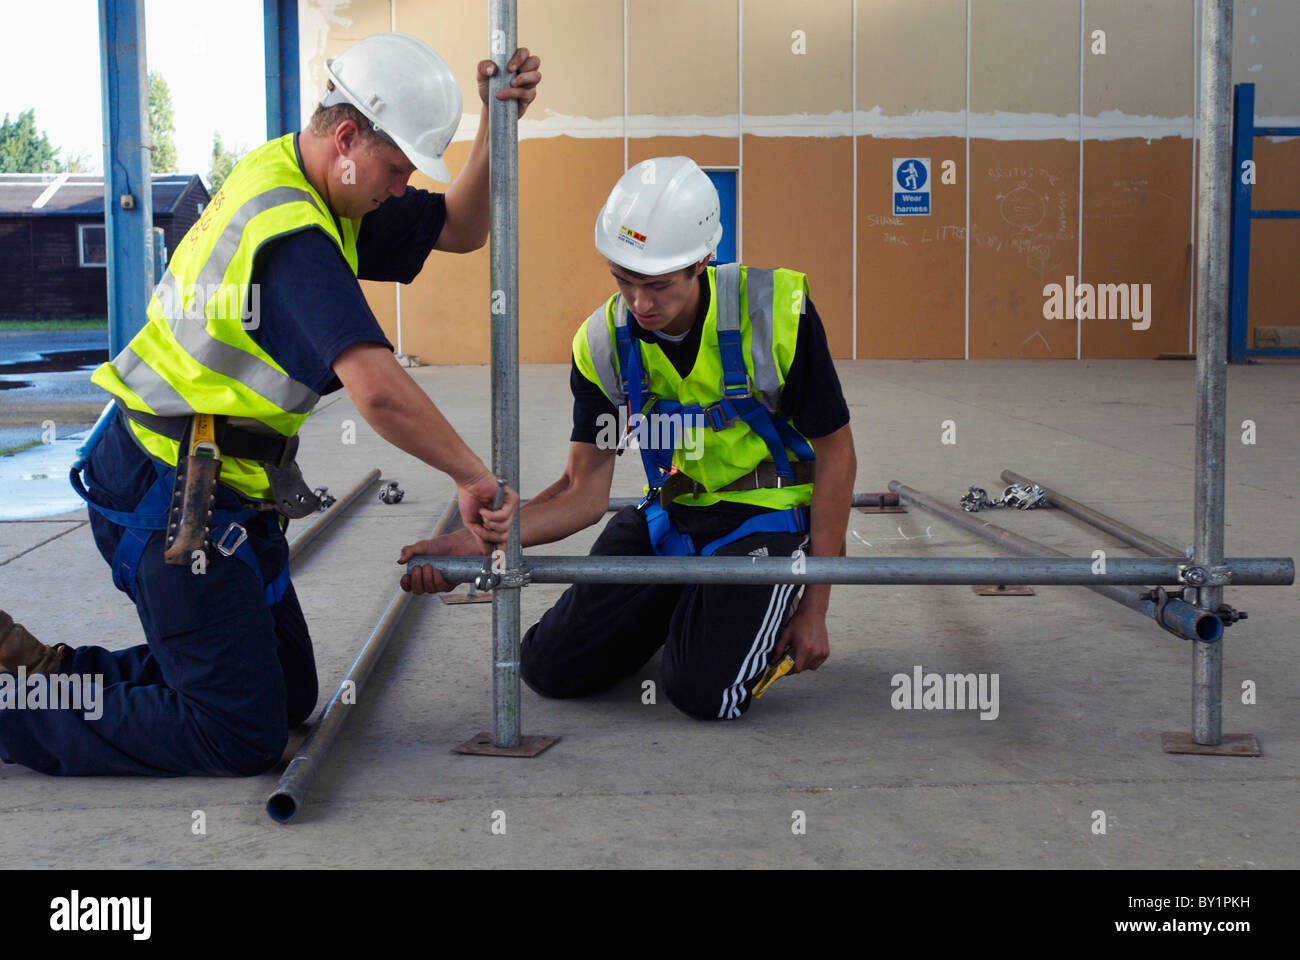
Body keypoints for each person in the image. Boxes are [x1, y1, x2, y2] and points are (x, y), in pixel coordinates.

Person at [0, 33, 540, 776]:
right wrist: (472, 478)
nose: (400, 184)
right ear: (348, 136)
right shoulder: (293, 234)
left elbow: (461, 226)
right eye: (395, 167)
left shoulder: (309, 175)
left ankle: (45, 677)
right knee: (239, 735)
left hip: (220, 486)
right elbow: (377, 388)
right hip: (170, 493)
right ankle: (13, 709)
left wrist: (492, 119)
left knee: (284, 696)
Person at [401, 157, 856, 721]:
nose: (640, 304)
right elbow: (581, 489)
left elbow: (837, 455)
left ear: (702, 262)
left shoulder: (775, 313)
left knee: (702, 693)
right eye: (624, 280)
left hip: (767, 519)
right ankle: (694, 603)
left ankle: (724, 610)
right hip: (672, 515)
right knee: (549, 669)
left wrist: (816, 606)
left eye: (658, 285)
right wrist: (482, 544)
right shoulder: (602, 344)